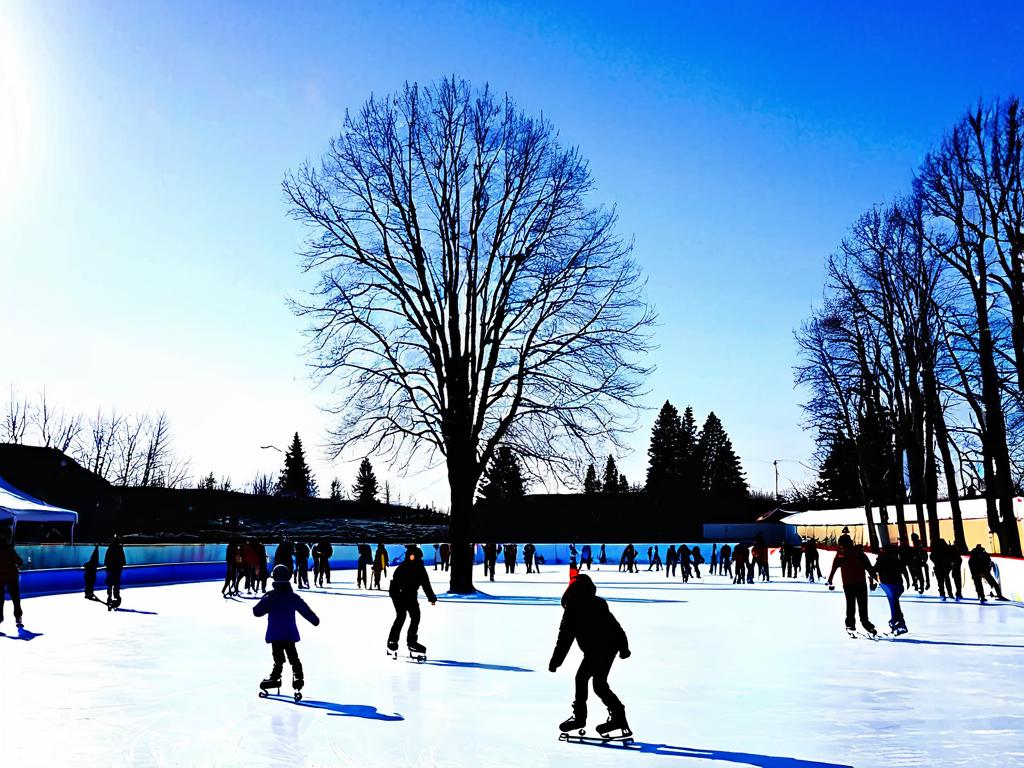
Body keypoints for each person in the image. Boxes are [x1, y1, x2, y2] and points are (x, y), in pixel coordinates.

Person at [550, 574, 632, 739]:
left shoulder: (572, 608)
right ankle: (618, 717)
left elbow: (564, 640)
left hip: (598, 650)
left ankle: (580, 718)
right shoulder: (598, 602)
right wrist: (624, 647)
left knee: (583, 680)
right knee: (598, 684)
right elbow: (615, 626)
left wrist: (555, 662)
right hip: (609, 647)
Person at [253, 564, 320, 697]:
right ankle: (298, 677)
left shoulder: (271, 597)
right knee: (293, 657)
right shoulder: (292, 597)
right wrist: (314, 620)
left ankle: (275, 677)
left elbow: (256, 611)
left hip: (276, 635)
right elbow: (305, 611)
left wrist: (265, 598)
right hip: (289, 633)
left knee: (278, 659)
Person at [387, 545, 437, 655]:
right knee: (401, 615)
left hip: (410, 594)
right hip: (398, 593)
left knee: (415, 616)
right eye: (409, 555)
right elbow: (396, 580)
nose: (410, 557)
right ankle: (393, 641)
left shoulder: (419, 568)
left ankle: (411, 642)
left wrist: (431, 597)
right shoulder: (403, 567)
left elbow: (426, 584)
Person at [827, 542, 878, 636]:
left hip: (848, 583)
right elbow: (869, 567)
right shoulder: (859, 553)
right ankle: (865, 623)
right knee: (863, 603)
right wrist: (875, 579)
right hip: (860, 582)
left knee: (850, 604)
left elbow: (834, 567)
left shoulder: (840, 554)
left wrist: (830, 580)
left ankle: (850, 625)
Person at [874, 543, 910, 635]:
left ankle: (896, 622)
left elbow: (873, 571)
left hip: (888, 585)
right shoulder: (896, 559)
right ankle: (896, 623)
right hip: (898, 585)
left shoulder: (881, 560)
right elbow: (904, 571)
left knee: (893, 603)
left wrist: (875, 581)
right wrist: (908, 581)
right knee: (894, 602)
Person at [0, 531, 24, 628]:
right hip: (12, 576)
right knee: (15, 598)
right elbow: (20, 561)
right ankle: (18, 617)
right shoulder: (10, 550)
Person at [104, 535, 126, 610]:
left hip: (113, 569)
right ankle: (113, 597)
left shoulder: (111, 548)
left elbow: (107, 559)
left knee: (111, 584)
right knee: (115, 584)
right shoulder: (117, 548)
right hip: (115, 569)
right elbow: (122, 560)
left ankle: (111, 597)